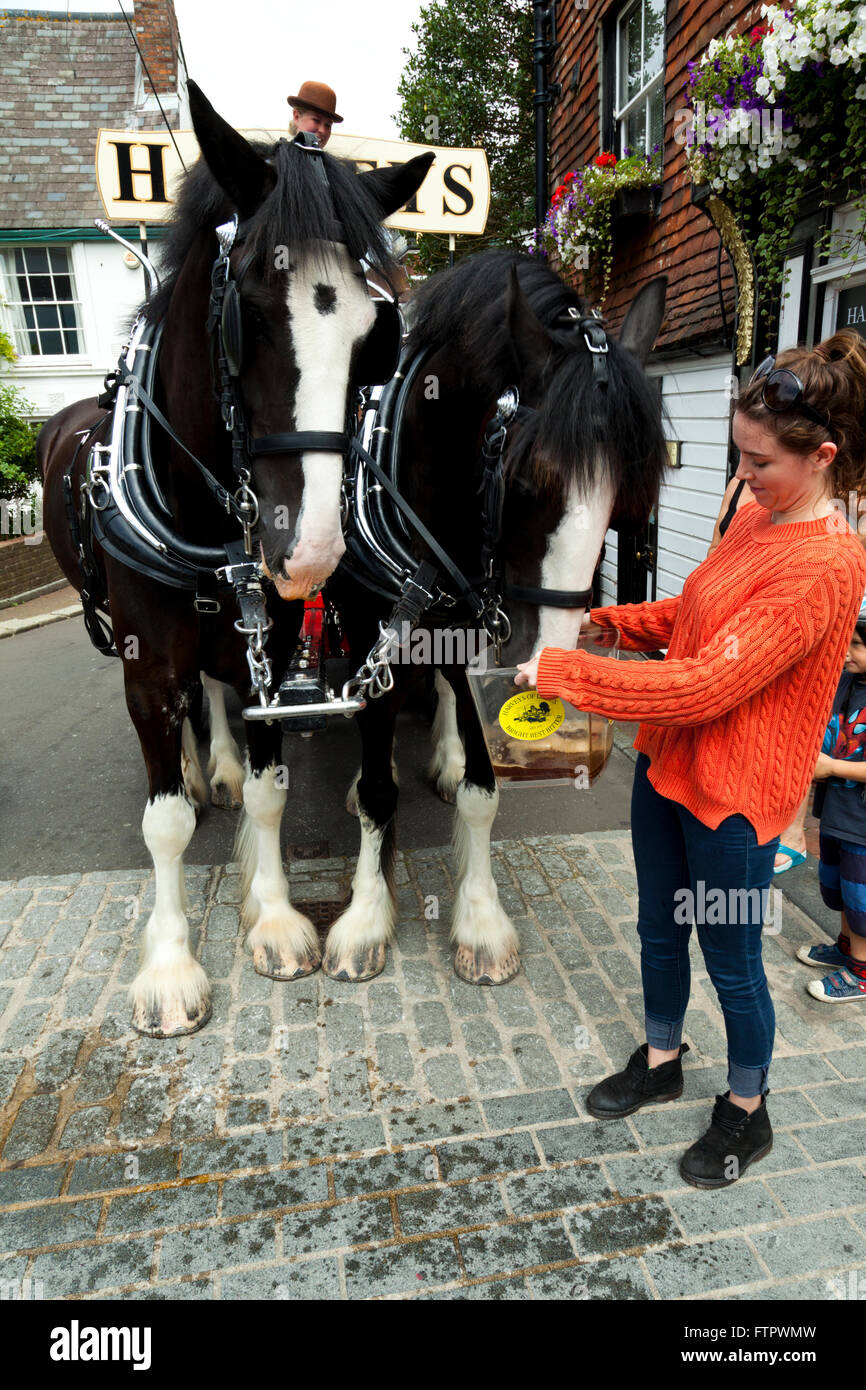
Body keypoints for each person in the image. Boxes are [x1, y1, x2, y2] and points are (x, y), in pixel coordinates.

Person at [516, 330, 866, 1188]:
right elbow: (699, 613)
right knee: (657, 926)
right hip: (668, 770)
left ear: (822, 456)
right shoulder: (757, 515)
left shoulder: (827, 565)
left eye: (758, 462)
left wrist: (565, 671)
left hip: (736, 800)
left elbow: (708, 686)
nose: (743, 477)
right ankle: (663, 1056)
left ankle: (748, 1109)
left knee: (735, 961)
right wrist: (612, 622)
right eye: (738, 456)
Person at [711, 477, 811, 874]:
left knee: (794, 725)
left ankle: (793, 830)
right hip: (741, 627)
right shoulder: (739, 489)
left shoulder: (834, 506)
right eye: (743, 452)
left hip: (796, 627)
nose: (748, 465)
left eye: (761, 457)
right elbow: (714, 556)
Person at [800, 599, 866, 1001]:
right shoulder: (845, 681)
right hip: (836, 813)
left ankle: (862, 971)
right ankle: (846, 949)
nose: (845, 652)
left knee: (861, 898)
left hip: (862, 823)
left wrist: (832, 769)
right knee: (839, 888)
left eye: (856, 645)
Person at [287, 80, 343, 148]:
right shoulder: (276, 156)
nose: (323, 130)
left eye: (328, 125)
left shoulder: (325, 158)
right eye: (316, 120)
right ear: (297, 117)